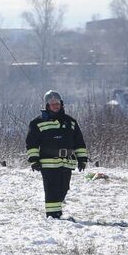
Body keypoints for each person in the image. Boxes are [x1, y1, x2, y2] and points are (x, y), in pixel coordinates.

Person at [26, 89, 89, 219]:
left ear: (61, 104)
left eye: (57, 103)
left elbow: (79, 142)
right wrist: (34, 160)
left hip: (67, 163)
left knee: (64, 188)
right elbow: (31, 143)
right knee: (51, 190)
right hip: (48, 163)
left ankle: (56, 212)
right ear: (47, 105)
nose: (55, 106)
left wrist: (82, 159)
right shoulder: (37, 123)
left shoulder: (71, 122)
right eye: (52, 103)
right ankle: (53, 216)